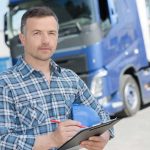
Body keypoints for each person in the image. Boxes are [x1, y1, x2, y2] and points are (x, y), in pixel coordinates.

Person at [0, 7, 113, 150]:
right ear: (22, 39)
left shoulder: (70, 78)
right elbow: (2, 141)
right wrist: (51, 140)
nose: (46, 40)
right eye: (37, 33)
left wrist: (104, 135)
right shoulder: (5, 84)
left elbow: (102, 114)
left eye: (51, 33)